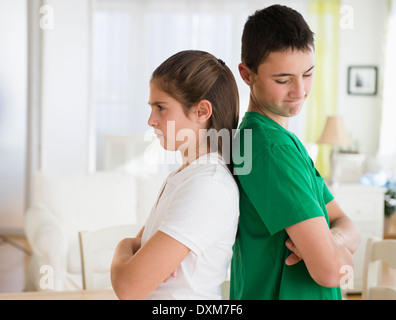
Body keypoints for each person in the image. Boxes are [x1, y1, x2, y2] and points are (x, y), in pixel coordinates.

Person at [230, 5, 361, 300]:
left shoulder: (283, 143)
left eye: (308, 74)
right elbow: (332, 271)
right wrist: (335, 250)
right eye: (283, 79)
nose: (300, 91)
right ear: (246, 74)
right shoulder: (270, 148)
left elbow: (346, 223)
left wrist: (331, 239)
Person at [111, 50, 240, 300]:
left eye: (161, 108)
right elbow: (141, 252)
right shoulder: (185, 176)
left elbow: (129, 286)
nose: (151, 120)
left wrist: (123, 245)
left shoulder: (208, 186)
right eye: (151, 108)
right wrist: (136, 252)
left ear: (202, 111)